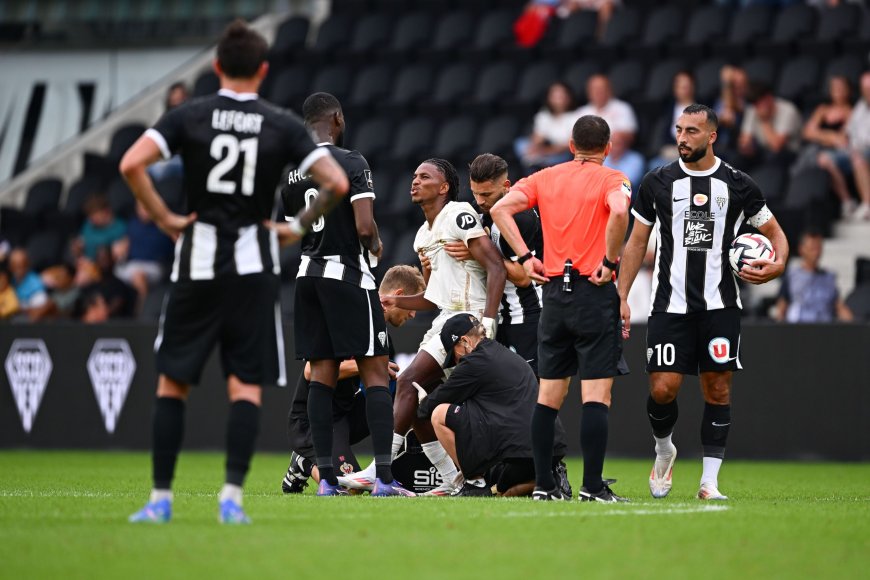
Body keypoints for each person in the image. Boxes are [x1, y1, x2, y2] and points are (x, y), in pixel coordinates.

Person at [119, 20, 350, 524]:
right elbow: (334, 181)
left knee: (173, 384)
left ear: (217, 67)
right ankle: (231, 499)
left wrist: (166, 219)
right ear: (263, 71)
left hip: (197, 260)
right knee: (244, 385)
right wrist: (295, 228)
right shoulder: (281, 123)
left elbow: (131, 163)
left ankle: (160, 500)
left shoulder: (191, 115)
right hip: (252, 263)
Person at [617, 104, 789, 502]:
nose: (682, 138)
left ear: (712, 136)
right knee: (663, 389)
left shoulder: (738, 184)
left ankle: (709, 483)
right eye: (679, 130)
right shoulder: (656, 182)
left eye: (692, 131)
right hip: (670, 304)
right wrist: (621, 296)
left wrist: (776, 267)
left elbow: (776, 233)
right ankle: (664, 450)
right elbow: (636, 242)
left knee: (718, 389)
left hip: (720, 305)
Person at [340, 158, 506, 496]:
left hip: (468, 320)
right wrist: (398, 302)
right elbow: (433, 298)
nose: (415, 181)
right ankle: (453, 480)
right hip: (446, 317)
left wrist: (487, 324)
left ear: (443, 187)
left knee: (406, 383)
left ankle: (379, 468)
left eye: (425, 177)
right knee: (417, 404)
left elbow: (497, 268)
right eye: (414, 175)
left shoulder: (459, 214)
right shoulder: (422, 236)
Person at [491, 114, 632, 502]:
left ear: (571, 146)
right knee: (596, 395)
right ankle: (592, 486)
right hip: (593, 290)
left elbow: (501, 209)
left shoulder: (545, 177)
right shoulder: (612, 178)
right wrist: (612, 261)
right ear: (607, 148)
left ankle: (544, 486)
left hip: (552, 295)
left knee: (548, 396)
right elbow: (619, 211)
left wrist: (525, 257)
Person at [282, 92, 414, 497]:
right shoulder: (352, 161)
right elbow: (363, 226)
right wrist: (374, 246)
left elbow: (295, 230)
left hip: (307, 275)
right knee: (375, 371)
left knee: (320, 375)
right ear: (336, 119)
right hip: (349, 276)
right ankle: (385, 481)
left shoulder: (291, 172)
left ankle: (325, 482)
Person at [281, 265, 426, 493]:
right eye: (414, 304)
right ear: (398, 295)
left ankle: (393, 467)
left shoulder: (384, 337)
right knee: (351, 488)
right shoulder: (351, 318)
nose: (414, 313)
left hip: (345, 416)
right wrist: (365, 368)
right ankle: (304, 462)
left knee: (400, 393)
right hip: (311, 421)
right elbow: (310, 371)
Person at [418, 313, 571, 498]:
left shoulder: (474, 362)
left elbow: (428, 408)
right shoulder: (506, 354)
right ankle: (548, 477)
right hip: (550, 450)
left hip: (521, 453)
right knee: (501, 488)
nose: (456, 362)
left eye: (454, 354)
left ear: (465, 341)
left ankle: (474, 483)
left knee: (439, 414)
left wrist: (421, 400)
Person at [442, 153, 543, 375]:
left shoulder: (521, 217)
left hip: (527, 316)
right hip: (499, 316)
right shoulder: (479, 210)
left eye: (486, 194)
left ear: (506, 186)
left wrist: (478, 254)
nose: (479, 201)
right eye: (475, 193)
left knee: (530, 393)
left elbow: (524, 277)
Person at [797, 75, 854, 217]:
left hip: (841, 152)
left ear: (848, 90)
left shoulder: (850, 111)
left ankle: (847, 200)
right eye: (834, 88)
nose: (838, 91)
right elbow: (807, 132)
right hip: (818, 150)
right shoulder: (822, 109)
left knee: (824, 159)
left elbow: (842, 140)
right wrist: (829, 136)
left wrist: (820, 134)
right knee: (816, 156)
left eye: (841, 88)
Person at [774, 229, 853, 323]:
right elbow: (781, 309)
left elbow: (839, 307)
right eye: (812, 248)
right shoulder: (791, 277)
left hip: (824, 331)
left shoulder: (829, 278)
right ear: (801, 249)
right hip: (798, 330)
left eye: (818, 248)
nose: (816, 252)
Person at [113, 201, 175, 313]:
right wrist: (120, 248)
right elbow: (125, 243)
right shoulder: (133, 224)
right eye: (140, 208)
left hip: (155, 266)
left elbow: (168, 249)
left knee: (138, 277)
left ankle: (140, 314)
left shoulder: (162, 226)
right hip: (132, 264)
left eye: (147, 208)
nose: (144, 212)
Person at [514, 82, 581, 174]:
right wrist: (534, 148)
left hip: (561, 154)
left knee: (563, 156)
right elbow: (538, 138)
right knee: (520, 143)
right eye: (555, 95)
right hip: (543, 150)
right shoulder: (544, 115)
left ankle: (537, 163)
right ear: (549, 97)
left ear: (569, 97)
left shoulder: (576, 116)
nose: (559, 99)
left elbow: (568, 145)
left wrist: (545, 151)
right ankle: (534, 163)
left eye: (562, 95)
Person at [737, 82, 802, 171]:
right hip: (762, 150)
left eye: (759, 102)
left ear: (769, 98)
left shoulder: (788, 110)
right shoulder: (753, 109)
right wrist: (747, 146)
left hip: (788, 153)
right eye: (755, 104)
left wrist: (764, 120)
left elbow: (777, 146)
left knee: (773, 157)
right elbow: (745, 139)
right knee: (738, 159)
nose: (756, 107)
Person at [576, 74, 638, 146]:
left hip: (616, 152)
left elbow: (630, 136)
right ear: (588, 92)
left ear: (609, 89)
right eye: (594, 88)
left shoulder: (623, 108)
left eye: (601, 88)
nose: (598, 92)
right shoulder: (581, 112)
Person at [845, 71, 870, 221]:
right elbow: (850, 130)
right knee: (825, 158)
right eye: (865, 90)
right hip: (859, 148)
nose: (867, 93)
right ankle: (847, 202)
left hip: (866, 149)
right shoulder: (860, 106)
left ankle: (867, 204)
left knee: (858, 159)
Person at [74, 194, 127, 262]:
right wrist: (78, 249)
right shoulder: (88, 224)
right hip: (84, 263)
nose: (91, 219)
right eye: (90, 216)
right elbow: (81, 246)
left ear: (106, 211)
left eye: (95, 214)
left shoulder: (120, 227)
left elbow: (119, 256)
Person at [8, 248, 53, 321]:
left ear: (27, 265)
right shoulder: (9, 281)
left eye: (21, 265)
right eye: (14, 266)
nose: (18, 269)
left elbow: (38, 312)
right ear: (10, 267)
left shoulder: (36, 283)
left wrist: (19, 309)